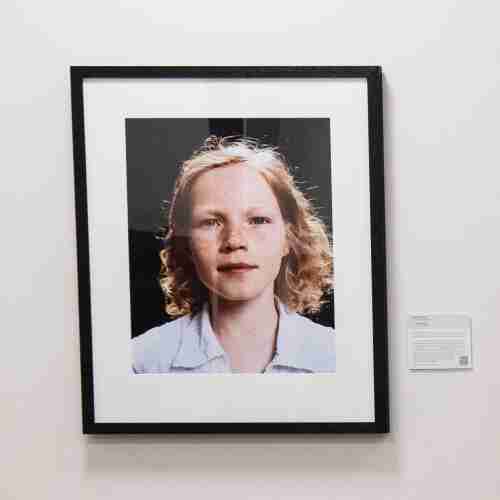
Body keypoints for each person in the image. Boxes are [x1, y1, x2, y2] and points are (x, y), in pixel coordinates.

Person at [133, 136, 335, 374]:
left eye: (258, 220)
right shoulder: (142, 362)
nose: (235, 241)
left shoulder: (335, 357)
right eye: (211, 222)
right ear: (186, 244)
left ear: (288, 239)